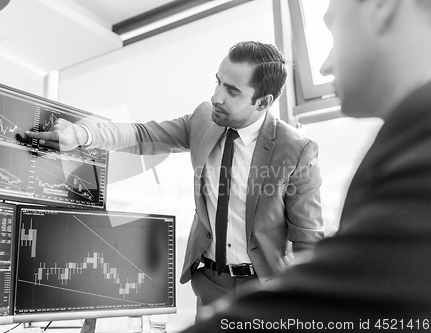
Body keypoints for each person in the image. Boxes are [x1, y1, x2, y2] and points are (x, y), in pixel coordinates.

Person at [177, 0, 431, 331]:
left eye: (333, 32)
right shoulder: (406, 137)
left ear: (382, 7)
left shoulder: (417, 151)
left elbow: (339, 293)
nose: (324, 66)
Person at [25, 41, 324, 316]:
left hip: (265, 287)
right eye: (218, 82)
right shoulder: (204, 119)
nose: (215, 97)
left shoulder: (296, 150)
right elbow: (143, 135)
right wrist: (82, 134)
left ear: (262, 102)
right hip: (210, 281)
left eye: (232, 91)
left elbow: (307, 241)